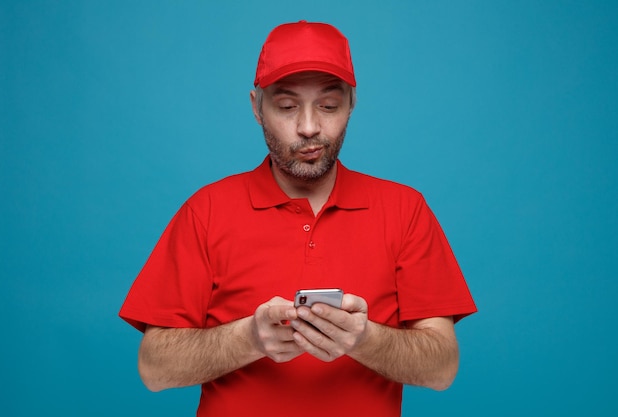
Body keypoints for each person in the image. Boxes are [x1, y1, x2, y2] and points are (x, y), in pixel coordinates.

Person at [120, 20, 477, 417]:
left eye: (328, 105)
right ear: (256, 107)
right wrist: (248, 338)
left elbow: (442, 368)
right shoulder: (205, 211)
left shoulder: (405, 210)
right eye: (287, 107)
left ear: (352, 103)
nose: (309, 128)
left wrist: (365, 339)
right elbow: (154, 368)